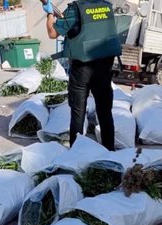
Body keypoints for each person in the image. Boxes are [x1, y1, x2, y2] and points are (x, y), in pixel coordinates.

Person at [43, 0, 122, 151]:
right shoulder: (107, 6)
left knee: (78, 112)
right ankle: (109, 152)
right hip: (105, 67)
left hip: (82, 67)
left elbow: (52, 33)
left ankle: (77, 152)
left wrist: (49, 14)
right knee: (105, 112)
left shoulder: (75, 9)